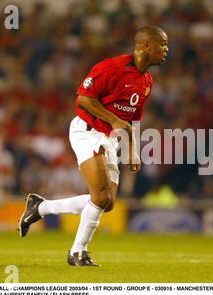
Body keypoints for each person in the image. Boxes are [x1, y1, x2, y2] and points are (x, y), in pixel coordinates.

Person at [18, 25, 169, 266]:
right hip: (88, 130)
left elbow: (134, 118)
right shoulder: (112, 67)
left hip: (109, 138)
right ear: (146, 45)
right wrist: (113, 119)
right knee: (99, 198)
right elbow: (84, 98)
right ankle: (78, 252)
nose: (166, 49)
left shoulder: (147, 81)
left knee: (107, 202)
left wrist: (133, 149)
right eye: (162, 44)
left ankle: (40, 207)